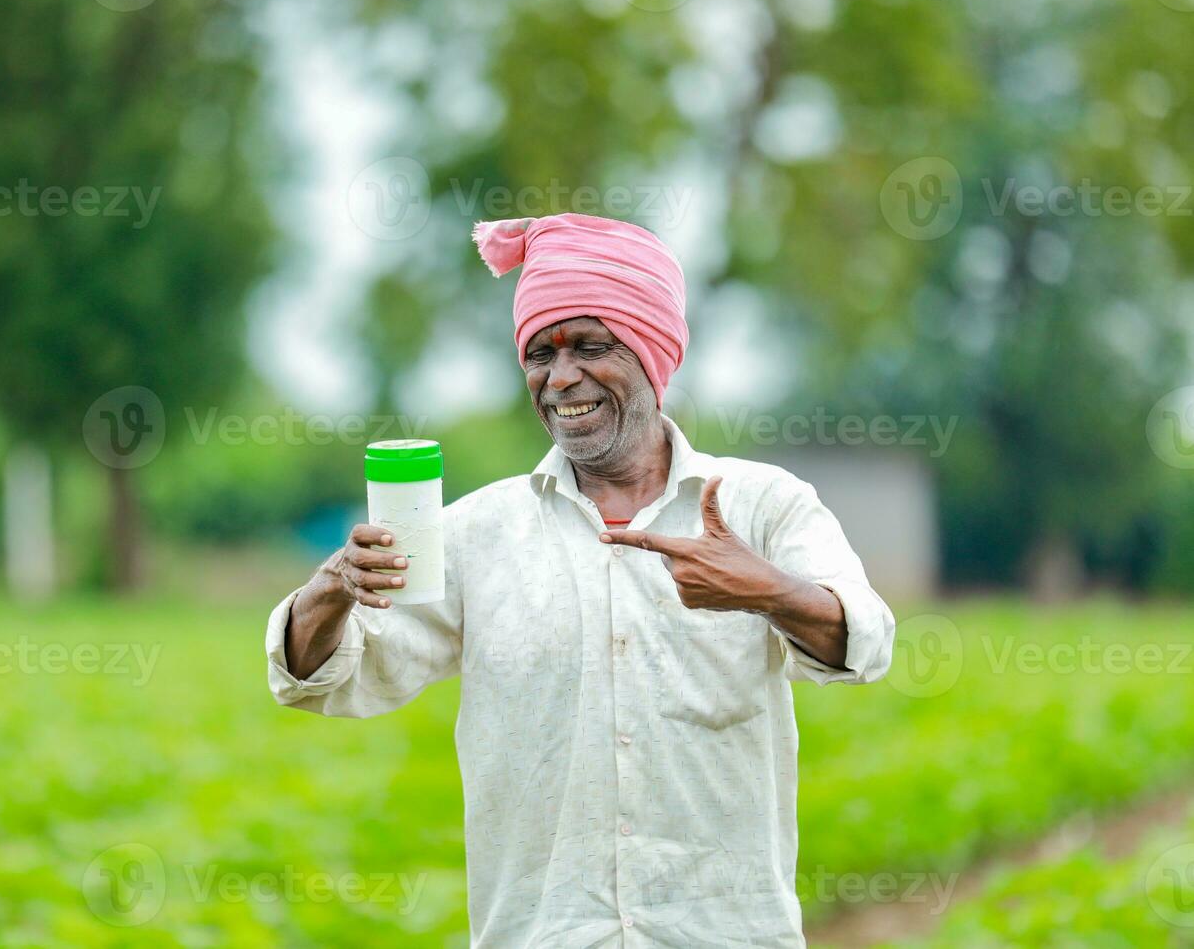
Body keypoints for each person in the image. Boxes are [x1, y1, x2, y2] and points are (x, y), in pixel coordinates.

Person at [265, 212, 895, 948]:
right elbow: (326, 678)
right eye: (540, 354)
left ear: (655, 356)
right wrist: (334, 588)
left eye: (590, 347)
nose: (561, 378)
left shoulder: (763, 505)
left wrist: (764, 589)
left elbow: (868, 641)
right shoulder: (477, 534)